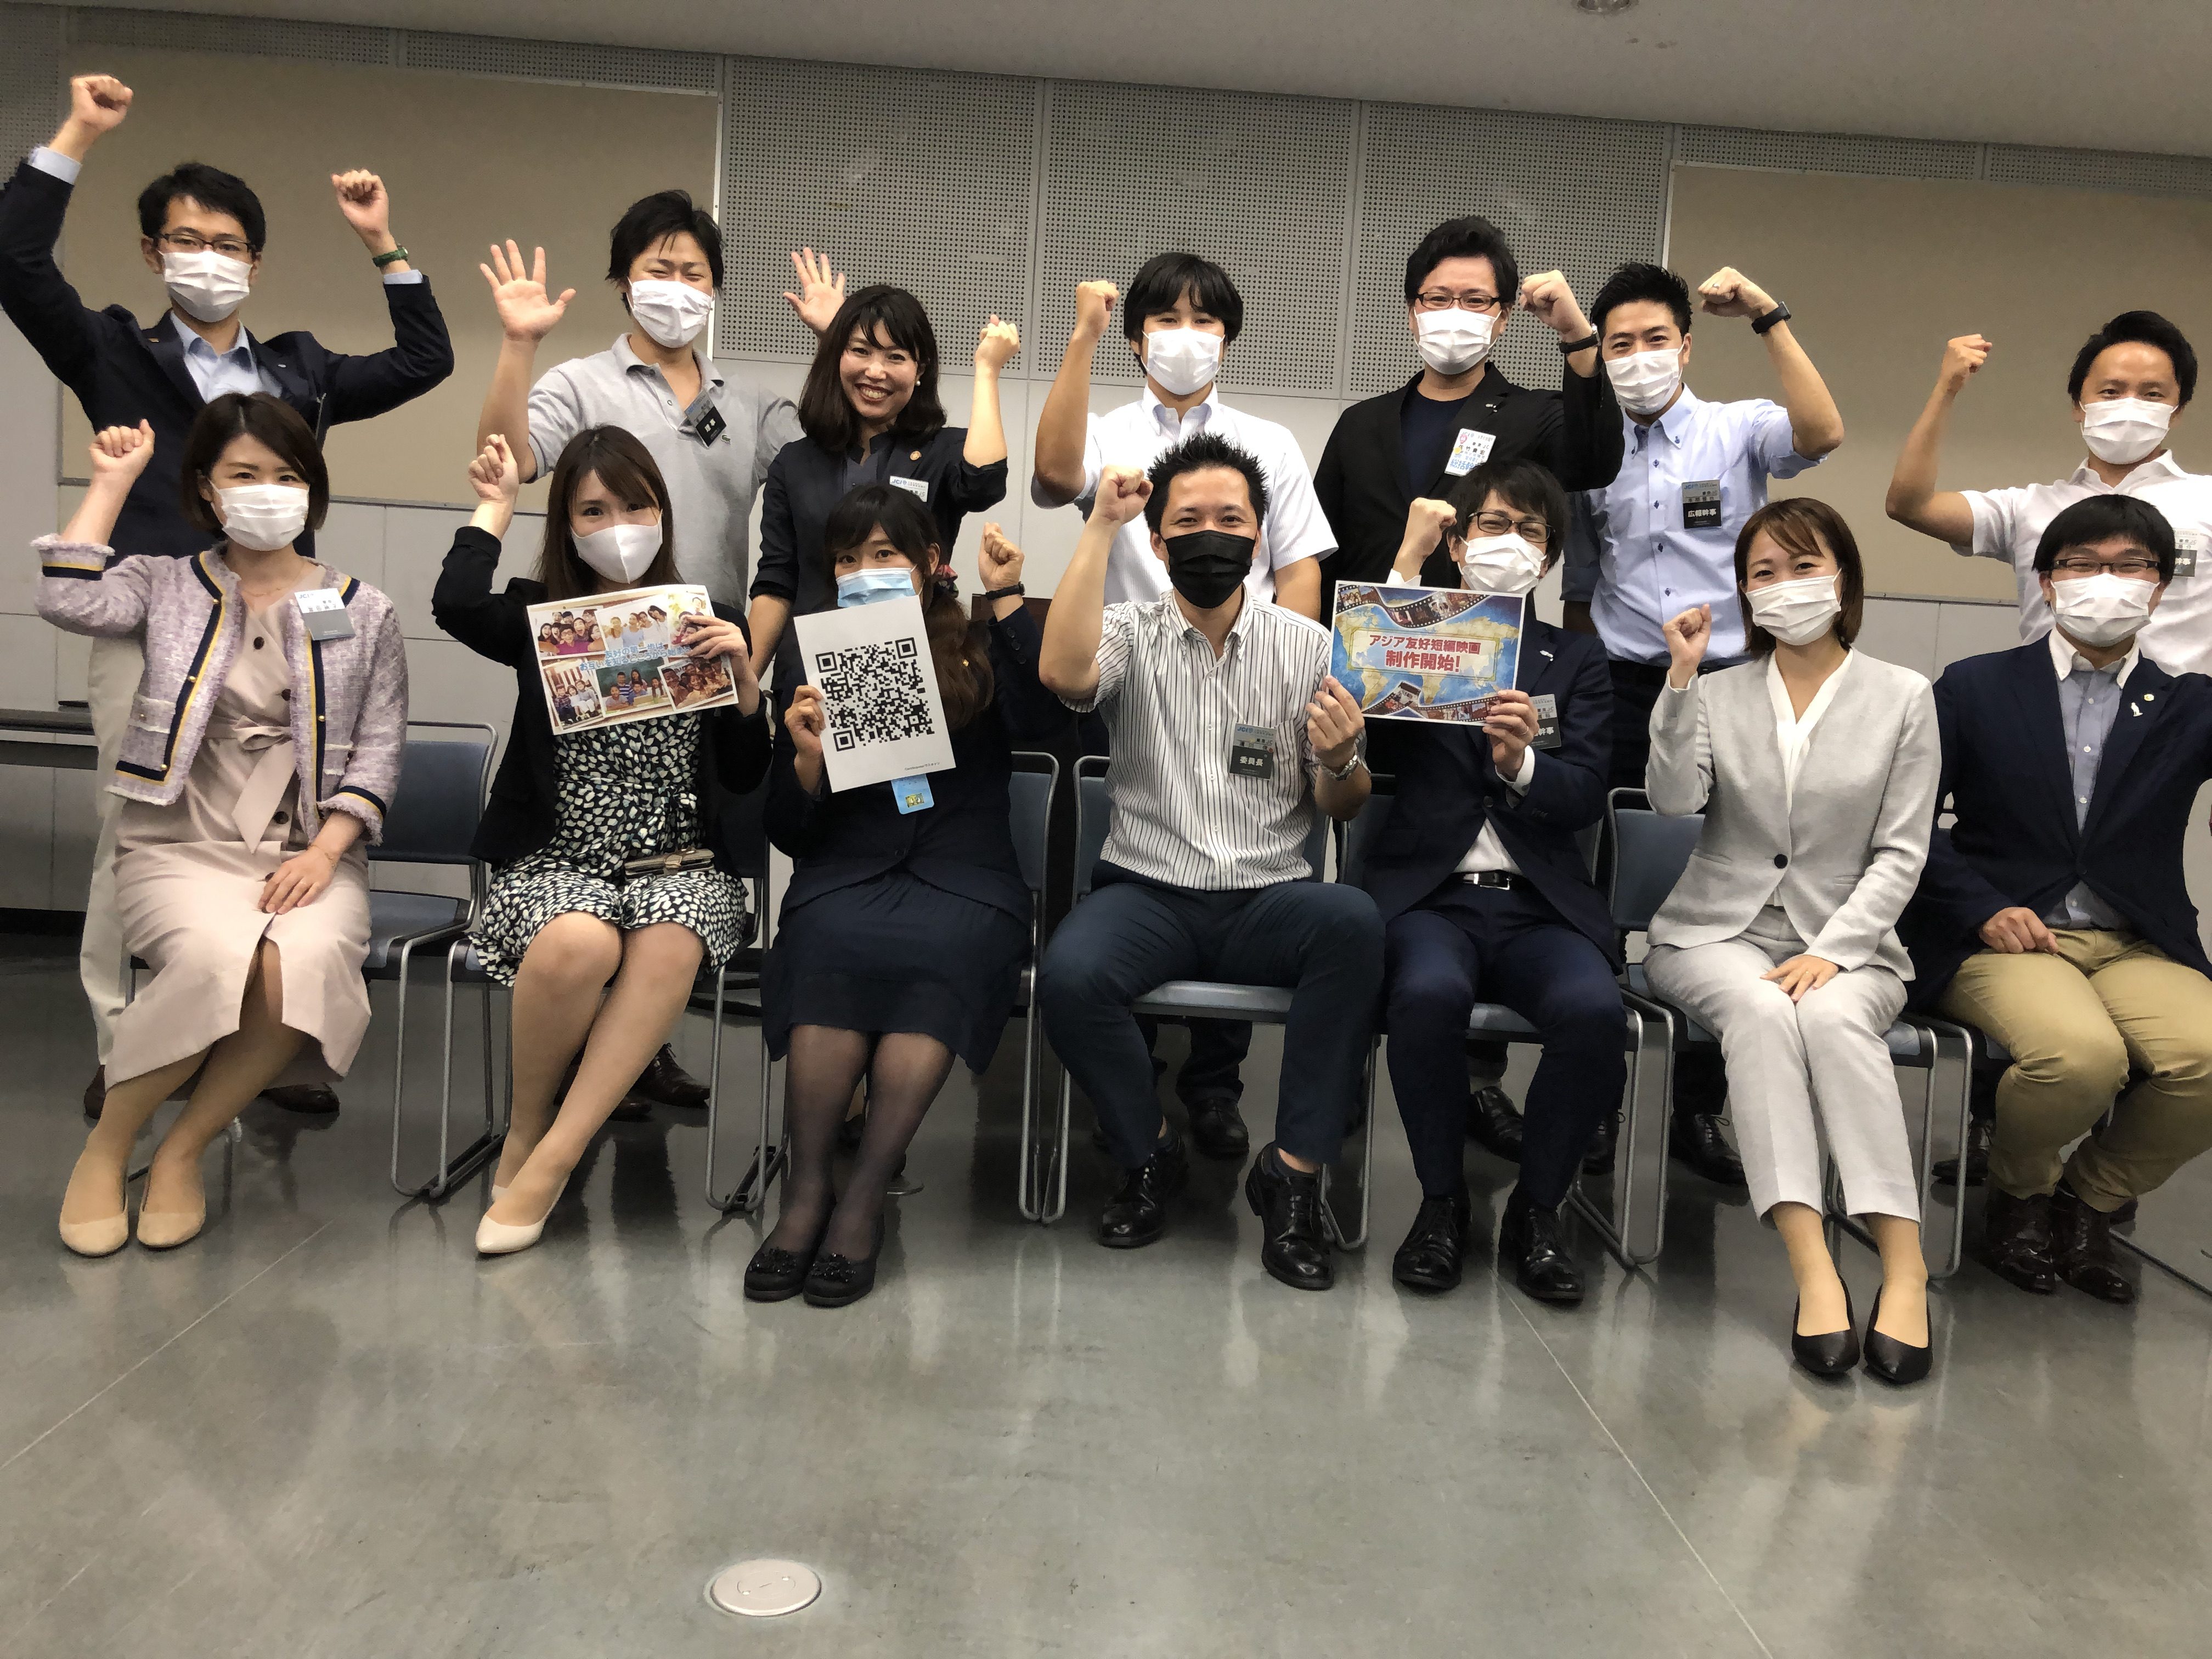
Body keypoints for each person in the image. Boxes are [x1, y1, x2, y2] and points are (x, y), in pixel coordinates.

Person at [0, 73, 452, 1119]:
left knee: (284, 829)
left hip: (288, 635)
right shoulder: (114, 349)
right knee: (133, 835)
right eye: (186, 240)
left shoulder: (302, 371)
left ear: (255, 261)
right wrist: (78, 133)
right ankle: (127, 1043)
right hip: (152, 625)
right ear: (154, 252)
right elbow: (16, 262)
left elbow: (427, 359)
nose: (207, 257)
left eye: (228, 243)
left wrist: (382, 241)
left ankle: (264, 1044)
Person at [37, 400, 405, 1255]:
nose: (268, 491)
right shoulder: (164, 583)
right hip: (179, 840)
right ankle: (107, 1148)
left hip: (307, 848)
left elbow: (381, 745)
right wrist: (109, 484)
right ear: (207, 489)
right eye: (245, 475)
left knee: (298, 966)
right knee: (211, 958)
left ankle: (182, 1150)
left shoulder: (361, 607)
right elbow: (65, 598)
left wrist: (328, 851)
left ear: (312, 490)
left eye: (287, 476)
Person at [1035, 433, 1385, 1291]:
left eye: (1231, 520)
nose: (1210, 536)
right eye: (1187, 522)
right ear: (1158, 544)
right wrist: (1099, 525)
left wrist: (1342, 759)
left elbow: (1343, 803)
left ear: (1259, 538)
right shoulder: (1129, 631)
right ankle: (1148, 1150)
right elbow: (1063, 673)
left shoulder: (1309, 647)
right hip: (1147, 891)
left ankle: (1292, 1176)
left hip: (1268, 897)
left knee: (1353, 924)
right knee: (1070, 974)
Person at [432, 428, 772, 1256]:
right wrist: (495, 505)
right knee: (578, 943)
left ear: (663, 513)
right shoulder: (540, 619)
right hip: (560, 858)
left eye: (635, 505)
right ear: (566, 525)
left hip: (680, 862)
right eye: (593, 511)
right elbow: (456, 604)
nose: (618, 525)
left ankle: (555, 1154)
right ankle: (526, 1127)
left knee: (671, 937)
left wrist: (745, 685)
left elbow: (746, 770)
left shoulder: (707, 620)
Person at [1032, 255, 1340, 1152]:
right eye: (1165, 319)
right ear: (1136, 338)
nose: (1186, 335)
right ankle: (1139, 1107)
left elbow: (1297, 566)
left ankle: (1215, 1086)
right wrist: (1082, 337)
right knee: (1153, 865)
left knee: (1251, 854)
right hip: (1137, 669)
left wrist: (1283, 671)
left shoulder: (1266, 441)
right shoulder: (1111, 430)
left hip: (1252, 669)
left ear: (1228, 339)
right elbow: (1051, 476)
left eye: (1205, 320)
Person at [1559, 260, 1844, 1187]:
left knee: (1728, 891)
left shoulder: (1736, 429)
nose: (1637, 357)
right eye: (1619, 344)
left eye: (1655, 339)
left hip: (1731, 683)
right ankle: (1597, 1098)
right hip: (1621, 685)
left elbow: (1822, 432)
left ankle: (1696, 1103)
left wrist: (1767, 313)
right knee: (1601, 883)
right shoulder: (1592, 453)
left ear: (1685, 345)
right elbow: (1582, 582)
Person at [1642, 498, 1940, 1384]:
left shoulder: (1904, 696)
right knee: (1765, 1012)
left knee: (1836, 1019)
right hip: (1714, 932)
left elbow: (1902, 851)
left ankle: (1904, 1267)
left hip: (1851, 938)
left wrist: (1836, 949)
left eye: (1803, 566)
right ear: (1744, 592)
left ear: (1843, 577)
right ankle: (1813, 1267)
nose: (1783, 586)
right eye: (1762, 572)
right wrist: (1679, 680)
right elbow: (1671, 801)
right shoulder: (1718, 689)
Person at [747, 493, 1069, 1306]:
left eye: (885, 554)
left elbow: (1049, 721)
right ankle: (806, 1192)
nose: (864, 572)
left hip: (965, 880)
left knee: (940, 957)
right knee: (823, 946)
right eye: (847, 559)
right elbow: (787, 829)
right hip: (848, 875)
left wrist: (1007, 597)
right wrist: (806, 762)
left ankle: (863, 1199)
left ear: (930, 563)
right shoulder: (815, 653)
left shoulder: (980, 646)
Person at [1903, 496, 2212, 1305]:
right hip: (2005, 933)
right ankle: (2021, 1195)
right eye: (2083, 564)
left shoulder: (2191, 704)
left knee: (2207, 1057)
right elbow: (1905, 822)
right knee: (2080, 1058)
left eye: (2132, 565)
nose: (2107, 580)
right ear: (2048, 581)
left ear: (2160, 588)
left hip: (2134, 940)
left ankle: (2090, 1200)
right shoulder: (1975, 687)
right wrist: (1980, 906)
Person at [1359, 461, 1623, 1302]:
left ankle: (1538, 1213)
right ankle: (1442, 1204)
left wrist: (1522, 766)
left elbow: (1586, 794)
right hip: (1433, 899)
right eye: (1494, 525)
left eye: (1530, 530)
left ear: (1548, 558)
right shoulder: (1422, 635)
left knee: (1594, 1012)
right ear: (1460, 543)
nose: (1510, 542)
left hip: (1540, 906)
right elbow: (1363, 705)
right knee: (1426, 996)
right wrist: (1407, 565)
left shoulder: (1575, 660)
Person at [476, 203, 847, 607]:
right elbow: (505, 463)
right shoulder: (578, 385)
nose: (677, 287)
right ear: (624, 281)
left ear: (712, 290)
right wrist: (519, 342)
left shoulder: (753, 405)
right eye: (659, 271)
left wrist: (837, 342)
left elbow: (836, 467)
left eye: (694, 274)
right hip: (597, 628)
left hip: (711, 629)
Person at [1886, 311, 2211, 673]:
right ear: (2078, 406)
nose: (2130, 404)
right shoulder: (2028, 507)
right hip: (2046, 703)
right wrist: (1946, 390)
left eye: (2152, 394)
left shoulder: (2206, 500)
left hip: (2181, 706)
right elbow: (1910, 505)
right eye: (2111, 391)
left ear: (2177, 411)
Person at [1315, 215, 1626, 592]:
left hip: (1483, 625)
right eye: (1438, 298)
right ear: (1412, 313)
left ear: (1503, 317)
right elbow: (1320, 548)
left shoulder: (1535, 415)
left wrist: (1576, 334)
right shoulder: (1360, 422)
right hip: (1364, 625)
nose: (1455, 313)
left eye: (1475, 301)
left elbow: (1596, 464)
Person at [744, 285, 1016, 680]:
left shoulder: (942, 450)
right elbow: (776, 582)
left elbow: (984, 482)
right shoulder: (795, 462)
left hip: (918, 665)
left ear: (920, 370)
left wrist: (988, 371)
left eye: (896, 357)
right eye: (860, 351)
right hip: (810, 671)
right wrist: (746, 683)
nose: (876, 371)